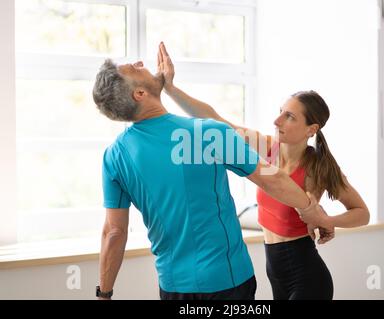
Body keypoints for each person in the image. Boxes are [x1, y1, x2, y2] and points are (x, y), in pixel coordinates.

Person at [92, 52, 326, 300]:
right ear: (139, 94)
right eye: (134, 67)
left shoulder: (114, 156)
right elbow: (272, 179)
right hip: (227, 281)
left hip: (173, 287)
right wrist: (312, 210)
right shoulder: (207, 132)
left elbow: (114, 232)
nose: (141, 63)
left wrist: (104, 294)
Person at [158, 42, 370, 300]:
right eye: (280, 112)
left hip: (307, 276)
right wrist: (170, 89)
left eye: (289, 117)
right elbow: (216, 121)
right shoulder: (267, 148)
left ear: (311, 129)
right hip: (276, 272)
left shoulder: (320, 167)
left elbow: (362, 213)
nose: (277, 121)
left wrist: (329, 221)